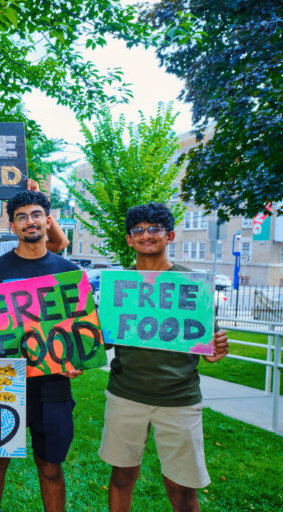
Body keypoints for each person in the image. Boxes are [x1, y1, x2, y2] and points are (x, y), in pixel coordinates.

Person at [98, 203, 229, 512]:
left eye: (154, 229)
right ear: (129, 239)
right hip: (125, 395)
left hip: (179, 399)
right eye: (138, 230)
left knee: (182, 489)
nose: (146, 235)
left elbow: (208, 349)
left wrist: (217, 348)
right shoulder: (118, 286)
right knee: (120, 478)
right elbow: (101, 343)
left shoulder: (192, 285)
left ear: (169, 236)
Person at [0, 190, 82, 512]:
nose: (29, 222)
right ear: (12, 224)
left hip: (53, 385)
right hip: (4, 383)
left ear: (47, 220)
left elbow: (78, 331)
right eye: (21, 217)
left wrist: (74, 358)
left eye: (35, 215)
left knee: (50, 466)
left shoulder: (68, 272)